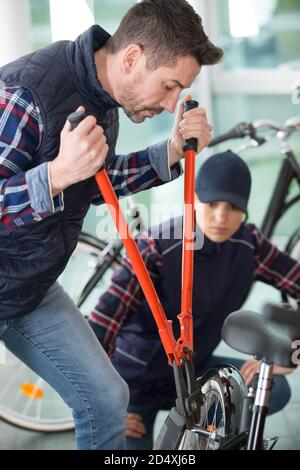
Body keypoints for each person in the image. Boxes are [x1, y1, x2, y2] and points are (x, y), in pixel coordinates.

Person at [0, 0, 223, 450]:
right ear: (132, 59)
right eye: (168, 86)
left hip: (28, 285)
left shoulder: (101, 95)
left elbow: (97, 178)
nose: (168, 105)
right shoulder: (25, 92)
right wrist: (55, 176)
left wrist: (173, 151)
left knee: (106, 397)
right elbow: (66, 174)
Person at [88, 150, 300, 450]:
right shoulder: (156, 245)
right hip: (135, 383)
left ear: (245, 211)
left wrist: (292, 353)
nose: (220, 218)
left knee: (275, 390)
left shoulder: (249, 244)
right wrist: (106, 406)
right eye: (212, 204)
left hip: (194, 372)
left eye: (233, 207)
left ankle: (202, 432)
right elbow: (100, 327)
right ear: (195, 201)